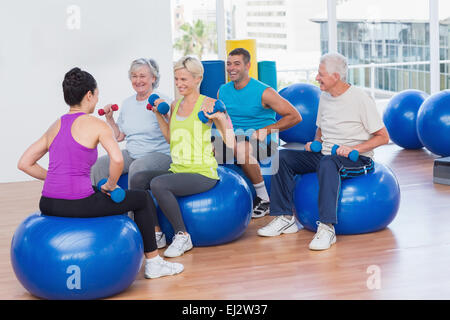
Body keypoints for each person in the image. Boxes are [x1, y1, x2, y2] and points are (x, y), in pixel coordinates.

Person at [17, 67, 184, 279]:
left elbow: (24, 163)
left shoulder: (55, 125)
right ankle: (153, 262)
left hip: (48, 203)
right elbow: (117, 159)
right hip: (78, 203)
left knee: (97, 190)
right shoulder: (96, 125)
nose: (97, 98)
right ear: (89, 95)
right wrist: (112, 184)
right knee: (140, 198)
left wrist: (53, 177)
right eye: (96, 93)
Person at [257, 52, 390, 251]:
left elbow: (383, 137)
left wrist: (354, 148)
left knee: (329, 163)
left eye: (321, 74)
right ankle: (285, 217)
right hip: (326, 153)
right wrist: (316, 142)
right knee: (282, 156)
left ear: (336, 77)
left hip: (356, 159)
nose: (317, 78)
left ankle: (327, 228)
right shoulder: (325, 97)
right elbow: (321, 127)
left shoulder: (360, 99)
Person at [130, 56, 235, 258]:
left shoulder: (210, 104)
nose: (179, 84)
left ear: (198, 79)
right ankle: (156, 232)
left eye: (184, 80)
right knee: (138, 178)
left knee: (159, 184)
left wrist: (220, 119)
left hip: (202, 172)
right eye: (177, 79)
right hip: (178, 169)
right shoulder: (175, 105)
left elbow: (230, 144)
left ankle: (182, 235)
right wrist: (158, 115)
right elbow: (171, 139)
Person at [90, 58, 172, 248]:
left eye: (142, 76)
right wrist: (110, 119)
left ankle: (133, 224)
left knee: (136, 168)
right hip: (134, 152)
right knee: (99, 165)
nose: (138, 80)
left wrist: (163, 113)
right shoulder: (127, 103)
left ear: (153, 78)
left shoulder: (162, 100)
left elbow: (172, 132)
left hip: (159, 154)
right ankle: (104, 212)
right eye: (134, 76)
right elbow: (119, 136)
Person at [217, 48, 302, 219]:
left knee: (241, 150)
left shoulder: (264, 92)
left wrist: (266, 130)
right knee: (202, 148)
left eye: (236, 64)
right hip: (233, 138)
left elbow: (295, 116)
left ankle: (264, 198)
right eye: (228, 64)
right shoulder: (223, 91)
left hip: (262, 139)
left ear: (248, 66)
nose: (231, 68)